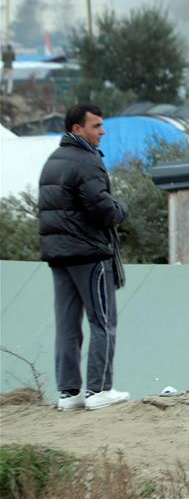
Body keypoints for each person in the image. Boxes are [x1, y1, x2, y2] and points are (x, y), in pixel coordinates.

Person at [38, 104, 130, 411]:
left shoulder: (53, 160)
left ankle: (70, 394)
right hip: (89, 254)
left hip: (59, 257)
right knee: (103, 322)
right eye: (96, 126)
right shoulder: (86, 160)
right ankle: (99, 390)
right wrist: (122, 211)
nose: (102, 131)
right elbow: (102, 208)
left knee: (67, 325)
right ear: (77, 129)